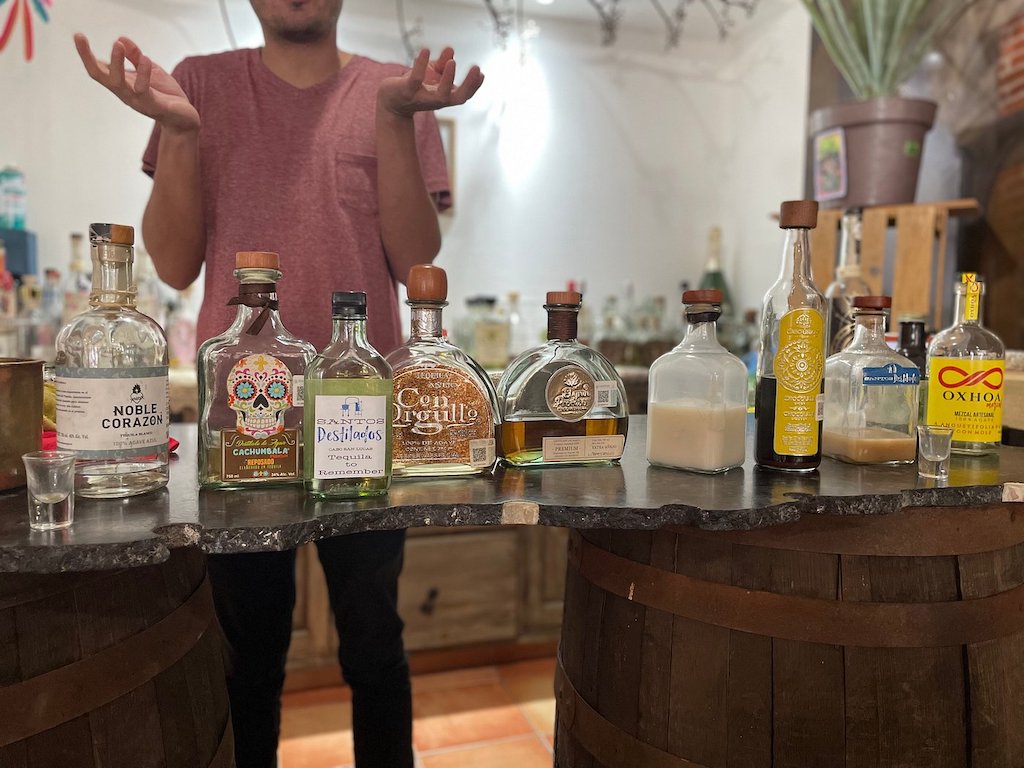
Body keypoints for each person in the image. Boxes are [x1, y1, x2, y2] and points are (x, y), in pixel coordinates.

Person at [74, 2, 483, 766]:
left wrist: (394, 119)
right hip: (242, 421)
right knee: (248, 648)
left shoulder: (394, 91)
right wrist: (186, 134)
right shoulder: (194, 88)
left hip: (361, 419)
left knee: (373, 638)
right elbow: (171, 264)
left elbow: (417, 257)